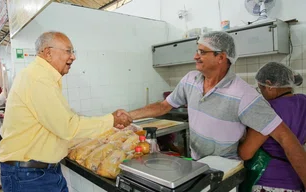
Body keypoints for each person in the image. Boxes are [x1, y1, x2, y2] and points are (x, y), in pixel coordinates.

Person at [119, 31, 306, 186]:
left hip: (225, 172)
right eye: (197, 51)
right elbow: (163, 106)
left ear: (221, 57)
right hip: (197, 166)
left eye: (202, 52)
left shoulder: (245, 95)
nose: (195, 56)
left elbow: (285, 137)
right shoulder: (190, 80)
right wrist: (129, 115)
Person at [0, 31, 132, 192]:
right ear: (48, 53)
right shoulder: (38, 79)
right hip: (29, 176)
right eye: (68, 51)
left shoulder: (41, 77)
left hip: (39, 172)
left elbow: (61, 118)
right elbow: (67, 127)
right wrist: (112, 120)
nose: (73, 57)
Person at [239, 62, 306, 192]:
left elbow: (246, 153)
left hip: (269, 182)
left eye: (261, 88)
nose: (261, 94)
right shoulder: (303, 101)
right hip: (297, 179)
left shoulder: (268, 110)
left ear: (269, 85)